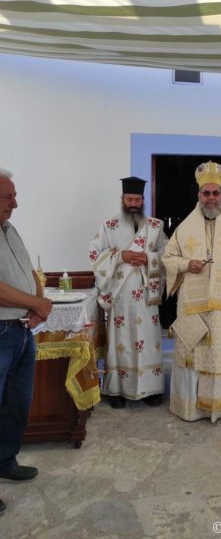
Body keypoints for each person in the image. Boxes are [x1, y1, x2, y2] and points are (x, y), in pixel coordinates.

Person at [162, 161, 221, 422]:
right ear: (199, 195)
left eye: (216, 193)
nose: (211, 198)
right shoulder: (184, 228)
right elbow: (168, 258)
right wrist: (186, 264)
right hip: (193, 303)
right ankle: (191, 409)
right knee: (194, 352)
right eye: (207, 193)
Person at [89, 176, 167, 409]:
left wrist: (150, 258)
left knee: (148, 340)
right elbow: (94, 254)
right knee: (120, 341)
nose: (133, 203)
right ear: (122, 199)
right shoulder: (109, 226)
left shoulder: (155, 226)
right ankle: (117, 390)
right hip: (120, 295)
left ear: (143, 200)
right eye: (129, 199)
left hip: (146, 294)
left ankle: (150, 389)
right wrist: (121, 256)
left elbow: (168, 254)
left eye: (137, 199)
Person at [0, 169, 52, 514]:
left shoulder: (10, 229)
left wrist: (37, 306)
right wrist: (36, 303)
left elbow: (30, 270)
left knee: (17, 404)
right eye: (8, 197)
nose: (15, 203)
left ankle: (5, 461)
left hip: (21, 331)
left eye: (14, 196)